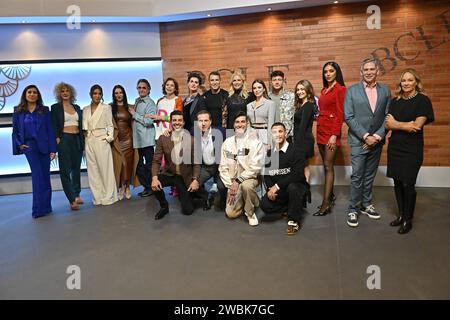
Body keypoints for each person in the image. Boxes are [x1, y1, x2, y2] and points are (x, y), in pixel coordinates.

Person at [385, 68, 434, 234]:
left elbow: (417, 127)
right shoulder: (395, 101)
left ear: (416, 82)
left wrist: (396, 124)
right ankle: (400, 215)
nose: (406, 83)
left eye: (410, 80)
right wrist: (406, 125)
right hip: (395, 147)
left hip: (412, 149)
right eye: (403, 80)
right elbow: (387, 124)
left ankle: (408, 219)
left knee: (408, 183)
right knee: (397, 182)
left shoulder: (423, 101)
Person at [344, 58, 391, 227]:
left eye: (372, 69)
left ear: (377, 71)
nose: (369, 72)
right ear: (361, 72)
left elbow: (388, 116)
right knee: (357, 175)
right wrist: (365, 136)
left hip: (377, 141)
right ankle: (352, 209)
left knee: (370, 175)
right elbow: (348, 117)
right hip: (358, 140)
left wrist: (376, 137)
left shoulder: (385, 91)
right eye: (366, 70)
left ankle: (366, 204)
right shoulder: (352, 91)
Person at [12, 85, 57, 218]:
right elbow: (15, 132)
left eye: (34, 92)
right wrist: (20, 145)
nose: (32, 94)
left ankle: (47, 207)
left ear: (38, 95)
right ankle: (37, 210)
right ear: (25, 95)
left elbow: (50, 130)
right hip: (30, 147)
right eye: (29, 92)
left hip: (44, 146)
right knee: (37, 176)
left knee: (45, 176)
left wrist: (53, 149)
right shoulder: (18, 111)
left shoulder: (44, 110)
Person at [260, 122, 309, 235]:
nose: (278, 134)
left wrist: (276, 186)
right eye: (274, 132)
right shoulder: (269, 154)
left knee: (293, 188)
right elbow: (267, 175)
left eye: (280, 131)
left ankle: (293, 219)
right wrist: (269, 190)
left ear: (285, 134)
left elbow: (297, 175)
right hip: (280, 191)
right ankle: (289, 207)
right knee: (264, 205)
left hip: (295, 187)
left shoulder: (296, 151)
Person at [151, 110, 201, 219]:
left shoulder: (192, 140)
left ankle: (197, 196)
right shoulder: (163, 138)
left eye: (179, 120)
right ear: (171, 122)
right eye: (174, 120)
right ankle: (164, 206)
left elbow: (197, 163)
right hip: (170, 174)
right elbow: (156, 160)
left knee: (188, 210)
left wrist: (195, 179)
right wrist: (154, 177)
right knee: (154, 185)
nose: (177, 122)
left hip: (184, 176)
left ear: (183, 123)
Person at [218, 111, 264, 226]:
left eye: (243, 122)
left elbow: (255, 168)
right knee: (230, 213)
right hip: (233, 181)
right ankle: (251, 199)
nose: (240, 124)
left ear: (247, 124)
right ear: (233, 125)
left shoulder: (255, 142)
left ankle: (250, 213)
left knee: (246, 186)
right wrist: (230, 185)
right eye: (237, 122)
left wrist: (238, 181)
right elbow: (222, 167)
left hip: (250, 178)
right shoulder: (227, 142)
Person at [316, 61, 346, 216]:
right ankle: (331, 196)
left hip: (330, 133)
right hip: (321, 130)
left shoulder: (340, 89)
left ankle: (326, 203)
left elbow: (340, 114)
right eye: (325, 71)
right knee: (325, 166)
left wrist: (334, 135)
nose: (328, 74)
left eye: (331, 71)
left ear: (337, 72)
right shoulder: (324, 90)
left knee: (328, 166)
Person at [51, 82, 84, 211]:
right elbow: (53, 124)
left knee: (76, 168)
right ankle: (71, 199)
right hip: (64, 139)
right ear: (59, 93)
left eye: (67, 91)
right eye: (62, 91)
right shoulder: (55, 108)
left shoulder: (76, 107)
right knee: (65, 170)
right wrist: (57, 138)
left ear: (71, 93)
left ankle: (77, 194)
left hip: (77, 139)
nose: (65, 93)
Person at [82, 84, 118, 205]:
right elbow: (84, 127)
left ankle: (108, 196)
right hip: (89, 141)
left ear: (102, 95)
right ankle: (97, 197)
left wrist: (108, 138)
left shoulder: (106, 107)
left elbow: (110, 124)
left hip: (101, 140)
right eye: (94, 93)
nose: (97, 96)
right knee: (93, 171)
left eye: (99, 93)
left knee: (105, 169)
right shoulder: (85, 109)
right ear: (90, 94)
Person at [192, 110, 225, 210]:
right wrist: (169, 131)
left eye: (206, 120)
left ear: (210, 121)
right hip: (205, 167)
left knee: (222, 187)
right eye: (200, 120)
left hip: (220, 167)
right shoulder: (193, 132)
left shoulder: (221, 132)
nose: (203, 123)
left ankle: (222, 199)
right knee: (192, 184)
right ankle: (207, 197)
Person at [110, 85, 139, 200]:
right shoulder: (110, 107)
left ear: (124, 94)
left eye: (120, 92)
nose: (118, 95)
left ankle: (126, 187)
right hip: (117, 140)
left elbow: (136, 122)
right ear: (114, 95)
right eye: (116, 93)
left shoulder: (130, 107)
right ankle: (121, 186)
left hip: (129, 139)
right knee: (120, 165)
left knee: (127, 164)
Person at [129, 79, 157, 198]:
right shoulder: (136, 101)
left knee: (148, 165)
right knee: (139, 165)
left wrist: (135, 115)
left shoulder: (150, 103)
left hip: (147, 140)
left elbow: (149, 121)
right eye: (139, 87)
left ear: (149, 89)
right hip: (137, 140)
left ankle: (151, 188)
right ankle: (146, 186)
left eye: (144, 87)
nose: (141, 90)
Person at [293, 80, 317, 185]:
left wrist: (296, 146)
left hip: (303, 141)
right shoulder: (302, 105)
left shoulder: (308, 105)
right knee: (305, 166)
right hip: (302, 139)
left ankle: (303, 189)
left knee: (301, 167)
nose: (299, 92)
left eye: (302, 89)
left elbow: (302, 127)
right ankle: (306, 191)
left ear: (308, 90)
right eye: (298, 90)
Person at [247, 79, 276, 148]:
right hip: (252, 134)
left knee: (264, 157)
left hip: (264, 134)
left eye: (259, 87)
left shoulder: (270, 104)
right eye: (254, 88)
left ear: (263, 89)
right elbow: (248, 123)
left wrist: (270, 141)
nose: (257, 90)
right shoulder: (249, 105)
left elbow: (271, 124)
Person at [268, 70, 295, 140]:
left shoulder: (291, 97)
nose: (277, 82)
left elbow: (295, 117)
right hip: (271, 135)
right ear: (271, 82)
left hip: (287, 136)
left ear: (283, 81)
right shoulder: (267, 97)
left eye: (279, 80)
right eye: (274, 80)